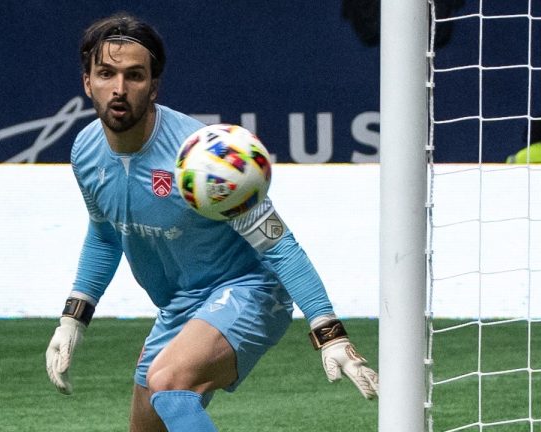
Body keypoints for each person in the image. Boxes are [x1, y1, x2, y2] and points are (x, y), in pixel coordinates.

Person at [45, 12, 378, 432]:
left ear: (154, 86)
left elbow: (278, 244)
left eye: (134, 76)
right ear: (87, 82)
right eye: (106, 73)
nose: (119, 88)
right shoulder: (86, 151)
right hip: (178, 306)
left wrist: (329, 332)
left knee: (168, 382)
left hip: (249, 290)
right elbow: (106, 235)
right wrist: (73, 320)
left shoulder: (206, 158)